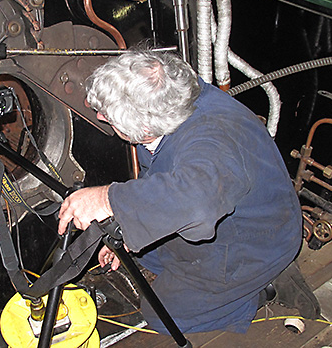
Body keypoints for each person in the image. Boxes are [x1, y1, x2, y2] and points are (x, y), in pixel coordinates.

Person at [57, 49, 317, 334]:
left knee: (163, 315)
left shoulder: (211, 139)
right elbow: (163, 181)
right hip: (226, 219)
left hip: (256, 242)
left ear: (144, 128)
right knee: (143, 253)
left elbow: (196, 205)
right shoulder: (170, 100)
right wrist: (123, 224)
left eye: (108, 117)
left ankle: (263, 289)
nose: (99, 117)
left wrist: (106, 199)